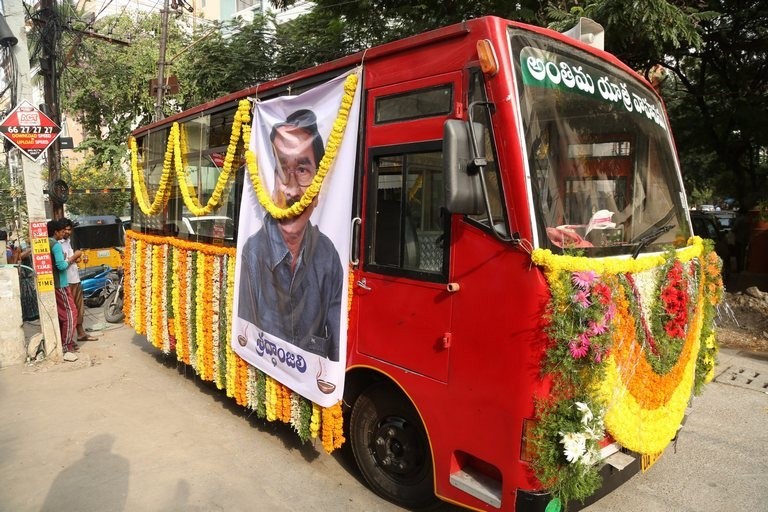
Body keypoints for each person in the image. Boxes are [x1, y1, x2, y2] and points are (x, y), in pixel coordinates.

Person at [238, 109, 343, 361]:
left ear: (319, 189)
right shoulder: (252, 254)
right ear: (271, 184)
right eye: (283, 170)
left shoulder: (329, 256)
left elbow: (336, 352)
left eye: (303, 170)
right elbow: (245, 338)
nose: (293, 189)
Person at [60, 218, 97, 342]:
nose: (68, 232)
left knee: (79, 307)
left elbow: (69, 260)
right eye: (66, 230)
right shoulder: (57, 244)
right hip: (67, 281)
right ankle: (68, 340)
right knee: (70, 311)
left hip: (75, 278)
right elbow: (61, 264)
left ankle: (81, 333)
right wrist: (74, 256)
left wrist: (76, 259)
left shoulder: (68, 242)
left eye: (70, 230)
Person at [48, 219, 79, 360]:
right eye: (61, 231)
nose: (63, 234)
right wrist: (72, 258)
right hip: (61, 284)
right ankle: (67, 345)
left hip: (54, 284)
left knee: (63, 315)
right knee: (71, 314)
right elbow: (61, 266)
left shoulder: (46, 243)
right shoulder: (55, 245)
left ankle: (65, 342)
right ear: (56, 232)